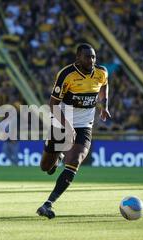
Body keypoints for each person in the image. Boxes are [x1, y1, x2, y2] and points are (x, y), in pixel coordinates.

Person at [37, 44, 111, 219]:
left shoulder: (101, 72)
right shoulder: (66, 74)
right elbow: (53, 105)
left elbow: (104, 85)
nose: (91, 60)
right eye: (87, 57)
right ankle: (58, 156)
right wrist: (67, 127)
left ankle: (48, 204)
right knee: (45, 167)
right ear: (78, 58)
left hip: (85, 124)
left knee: (75, 161)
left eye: (93, 57)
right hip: (62, 121)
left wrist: (104, 105)